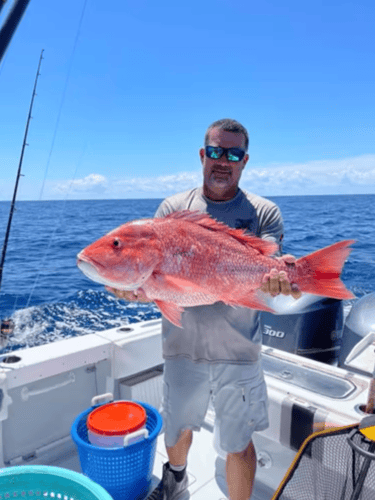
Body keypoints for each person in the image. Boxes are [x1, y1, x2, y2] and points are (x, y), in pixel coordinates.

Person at [107, 118, 301, 500]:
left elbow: (268, 260)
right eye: (215, 151)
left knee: (238, 443)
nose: (223, 161)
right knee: (177, 428)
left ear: (245, 161)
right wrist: (130, 285)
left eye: (233, 153)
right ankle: (175, 479)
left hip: (239, 352)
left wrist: (285, 277)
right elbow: (154, 270)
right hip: (182, 348)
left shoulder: (264, 211)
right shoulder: (174, 207)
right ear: (202, 155)